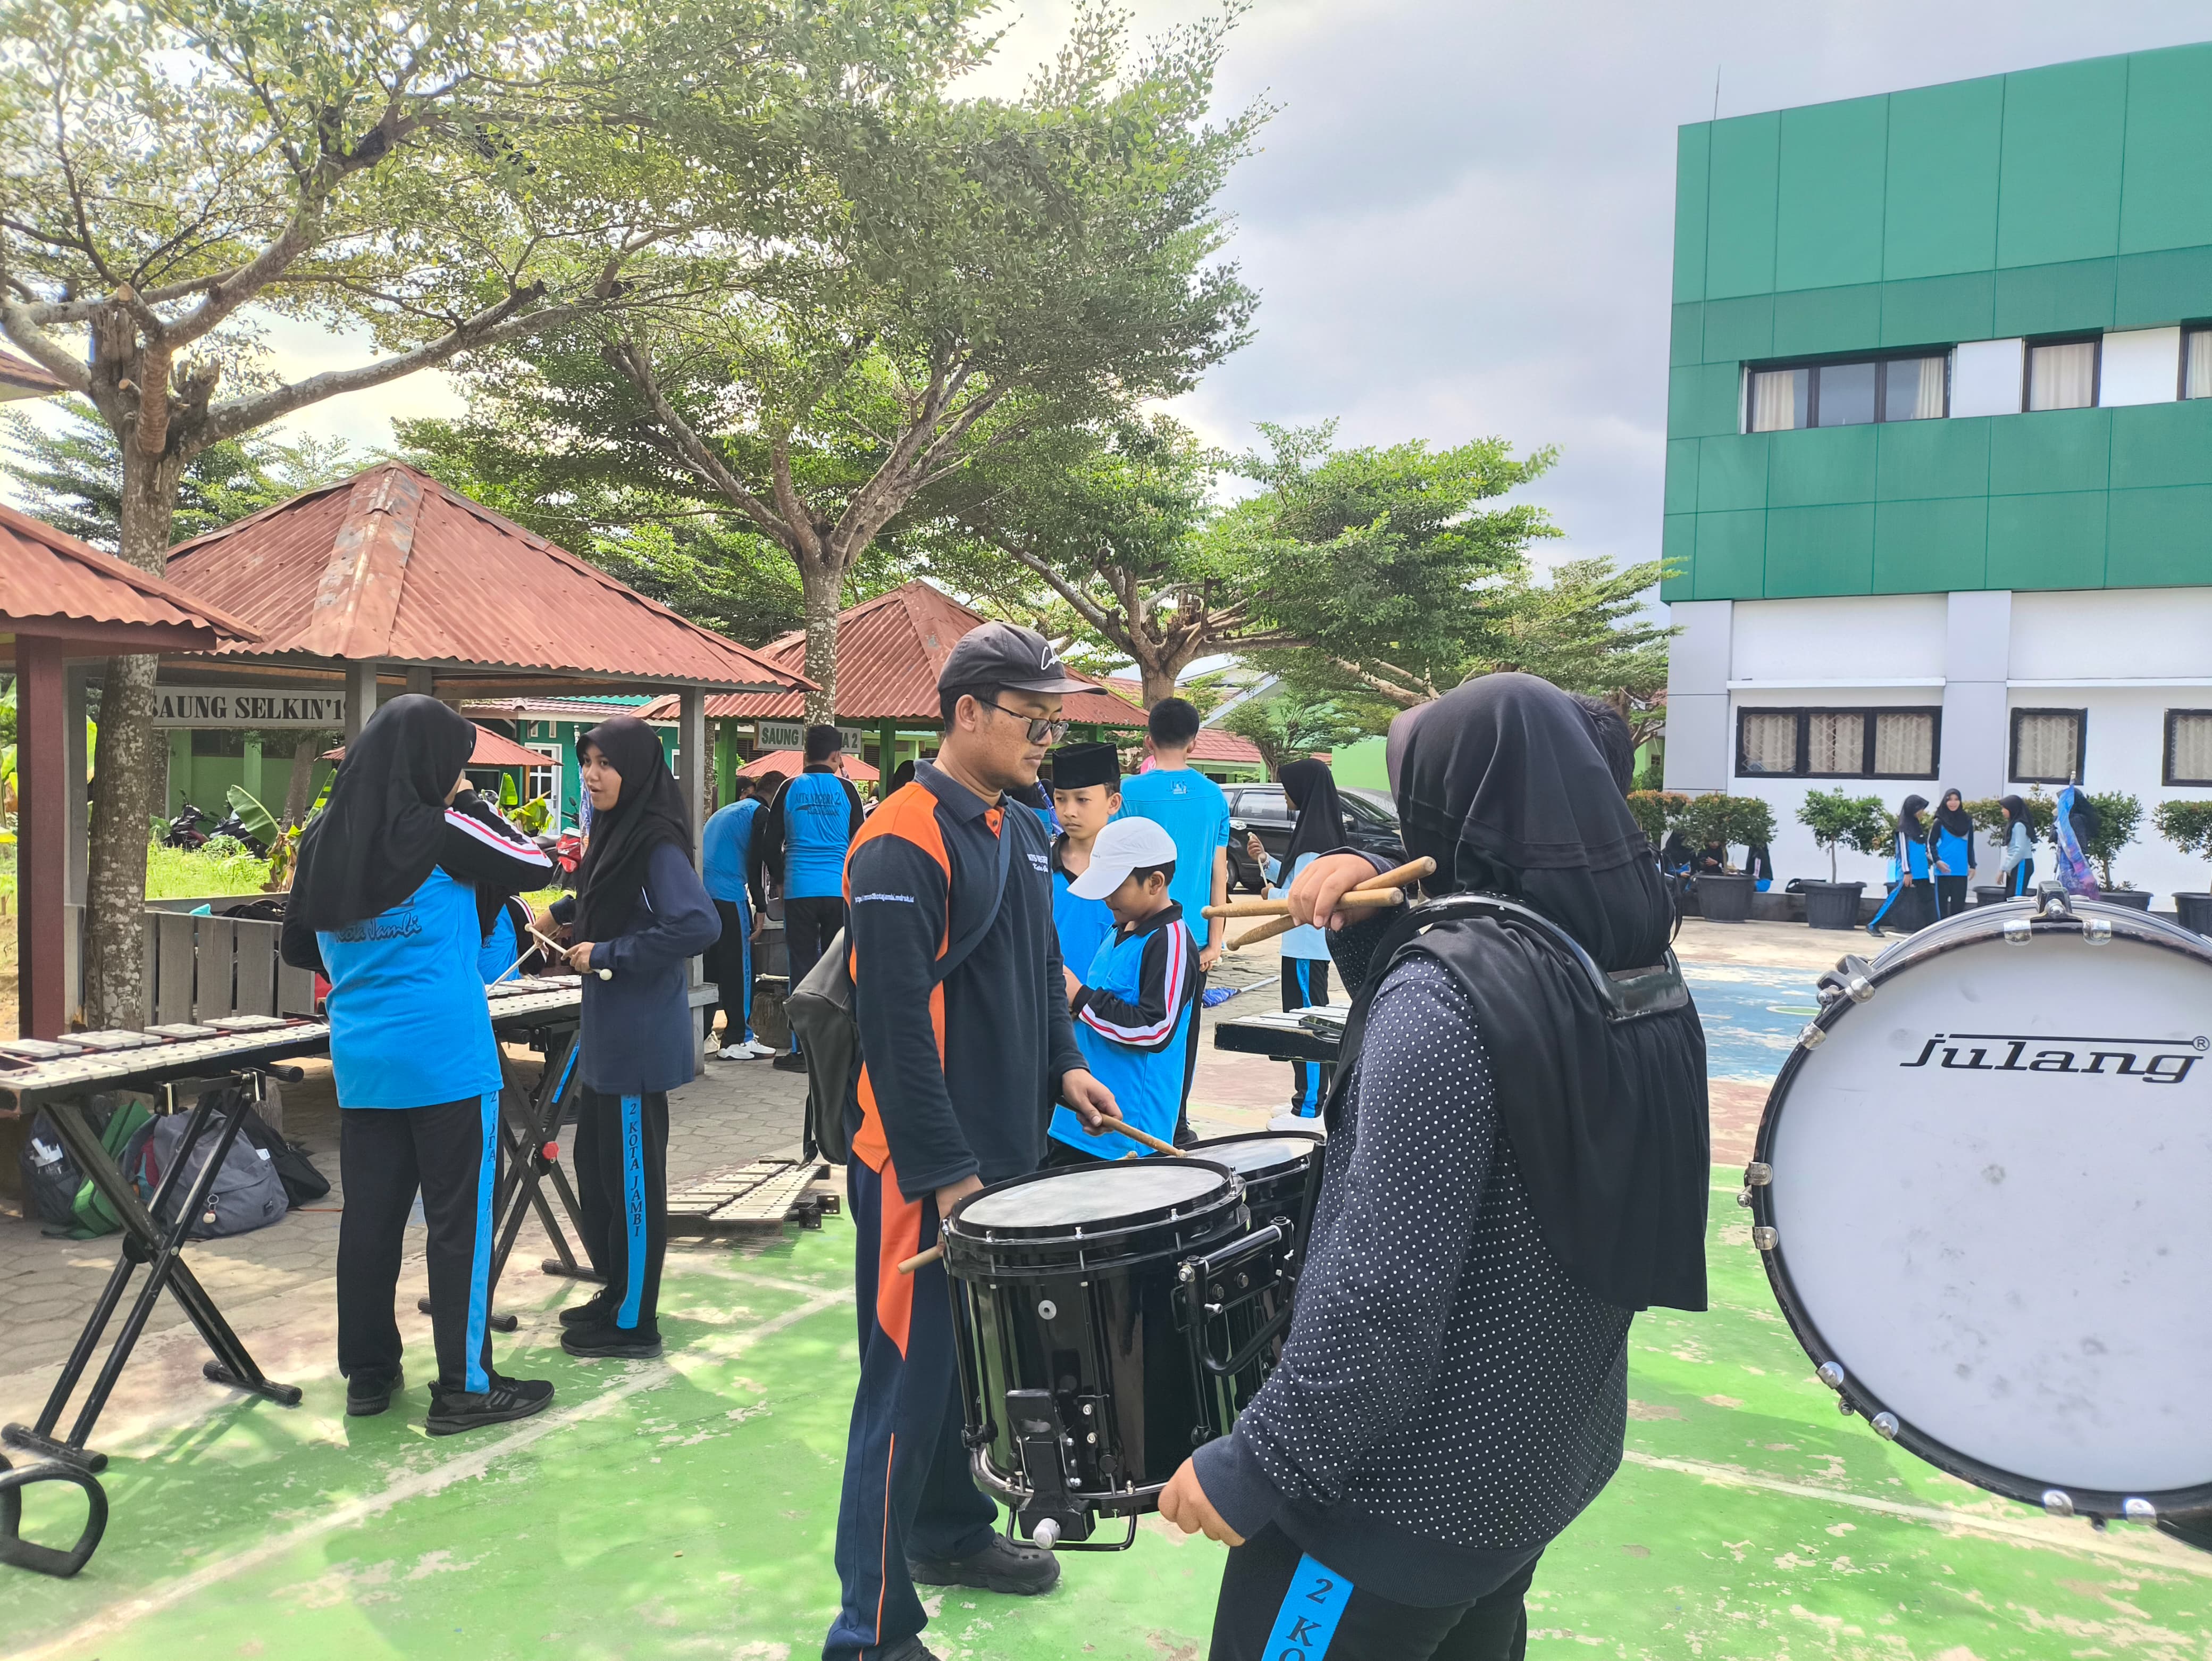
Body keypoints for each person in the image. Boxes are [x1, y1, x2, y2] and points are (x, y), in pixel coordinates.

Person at [1156, 673, 1710, 1659]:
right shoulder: (1631, 970)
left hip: (1397, 1498)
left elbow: (1383, 1288)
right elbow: (1506, 1133)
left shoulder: (1444, 997)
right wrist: (1374, 926)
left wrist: (1261, 1461)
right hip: (1541, 1460)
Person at [826, 621, 1122, 1661]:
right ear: (964, 714)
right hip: (923, 1169)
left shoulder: (1017, 821)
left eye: (1055, 717)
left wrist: (1066, 1066)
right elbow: (894, 1028)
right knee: (904, 1393)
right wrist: (947, 1176)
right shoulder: (898, 838)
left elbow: (1037, 962)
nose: (1050, 736)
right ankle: (865, 1626)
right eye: (1033, 718)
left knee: (963, 1374)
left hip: (1002, 1146)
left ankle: (948, 1532)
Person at [281, 695, 557, 1434]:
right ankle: (466, 1384)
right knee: (457, 1224)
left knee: (370, 1219)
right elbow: (538, 864)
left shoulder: (320, 838)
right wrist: (469, 799)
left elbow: (300, 948)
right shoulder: (439, 831)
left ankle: (369, 1375)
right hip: (446, 1056)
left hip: (364, 1059)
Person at [541, 716, 719, 1360]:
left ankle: (636, 1321)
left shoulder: (655, 843)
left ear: (637, 771)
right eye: (586, 761)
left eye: (605, 763)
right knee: (599, 1172)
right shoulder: (613, 834)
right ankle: (616, 1293)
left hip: (639, 1038)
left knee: (634, 1182)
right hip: (609, 1038)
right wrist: (561, 915)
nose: (591, 775)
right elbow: (603, 893)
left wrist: (608, 951)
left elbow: (697, 924)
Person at [1046, 817, 1198, 1164]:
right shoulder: (1118, 928)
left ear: (1155, 882)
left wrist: (1081, 999)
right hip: (1078, 1120)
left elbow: (1155, 1027)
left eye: (1115, 888)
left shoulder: (1171, 941)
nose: (1106, 898)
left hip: (1127, 1136)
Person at [1116, 696, 1230, 1143]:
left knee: (1136, 1028)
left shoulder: (1130, 793)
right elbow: (1220, 872)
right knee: (1183, 1033)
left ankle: (1138, 1123)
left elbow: (1122, 867)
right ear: (1195, 742)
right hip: (1193, 938)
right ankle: (1178, 1122)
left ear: (1149, 738)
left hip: (1141, 933)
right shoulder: (1214, 795)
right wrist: (1215, 942)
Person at [753, 726, 866, 1073]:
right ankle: (843, 1045)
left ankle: (802, 1051)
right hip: (838, 891)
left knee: (801, 969)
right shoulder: (847, 789)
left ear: (805, 755)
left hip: (800, 890)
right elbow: (862, 841)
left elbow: (770, 844)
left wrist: (782, 880)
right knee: (843, 966)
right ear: (836, 757)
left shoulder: (789, 788)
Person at [1248, 757, 1344, 1124]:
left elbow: (1296, 899)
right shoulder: (1318, 833)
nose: (1284, 794)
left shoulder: (1312, 845)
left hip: (1305, 948)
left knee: (1308, 1024)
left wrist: (1271, 895)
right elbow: (1298, 882)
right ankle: (1310, 1099)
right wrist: (1266, 861)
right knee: (1308, 1020)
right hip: (1307, 947)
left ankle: (1309, 1106)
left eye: (1287, 787)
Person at [700, 772, 780, 1059]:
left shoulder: (733, 809)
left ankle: (705, 1033)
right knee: (741, 966)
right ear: (778, 793)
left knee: (711, 968)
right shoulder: (762, 814)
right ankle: (738, 1038)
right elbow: (757, 861)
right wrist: (761, 907)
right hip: (729, 893)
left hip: (704, 895)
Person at [1048, 740, 1122, 985]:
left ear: (1113, 803)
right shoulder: (1039, 868)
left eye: (1082, 800)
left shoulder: (1131, 872)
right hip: (1049, 1008)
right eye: (1060, 799)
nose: (1069, 811)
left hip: (1111, 1013)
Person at [1866, 795, 1931, 939]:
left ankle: (1930, 928)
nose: (1922, 812)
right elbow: (1903, 851)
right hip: (1909, 873)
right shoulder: (1903, 829)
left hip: (1921, 871)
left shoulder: (1917, 827)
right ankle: (1874, 924)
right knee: (1896, 900)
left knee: (1928, 901)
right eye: (1920, 809)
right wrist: (1907, 872)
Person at [1926, 788, 1976, 919]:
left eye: (1956, 799)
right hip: (1943, 870)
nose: (1953, 803)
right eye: (1950, 800)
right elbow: (1931, 844)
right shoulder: (1939, 822)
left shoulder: (1967, 821)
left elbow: (1970, 845)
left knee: (1958, 909)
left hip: (1960, 870)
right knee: (1941, 909)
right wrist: (1937, 861)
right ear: (1945, 801)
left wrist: (1973, 865)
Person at [2056, 782, 2101, 896]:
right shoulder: (2064, 820)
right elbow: (2053, 837)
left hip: (2075, 861)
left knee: (2075, 892)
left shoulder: (2076, 820)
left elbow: (2081, 842)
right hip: (2066, 860)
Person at [1999, 794, 2037, 897]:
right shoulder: (2014, 824)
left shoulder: (2019, 825)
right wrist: (2006, 867)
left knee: (2017, 898)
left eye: (2004, 808)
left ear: (2012, 809)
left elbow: (2019, 850)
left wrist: (2006, 868)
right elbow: (2012, 851)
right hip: (2017, 864)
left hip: (2022, 864)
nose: (2002, 811)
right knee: (2010, 896)